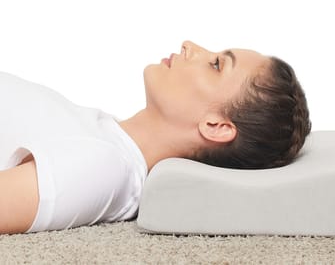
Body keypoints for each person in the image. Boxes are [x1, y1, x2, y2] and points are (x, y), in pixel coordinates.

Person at [0, 40, 311, 235]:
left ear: (216, 126)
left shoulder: (104, 166)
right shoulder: (109, 138)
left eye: (216, 65)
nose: (190, 45)